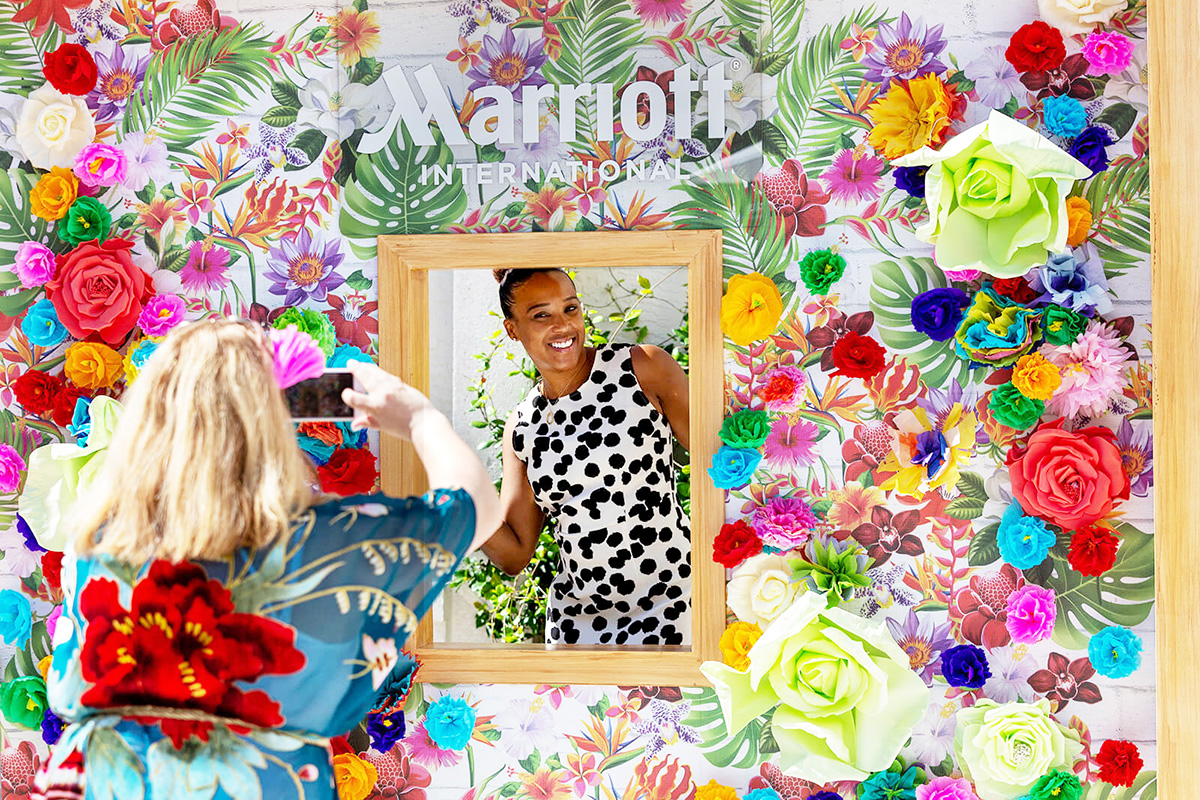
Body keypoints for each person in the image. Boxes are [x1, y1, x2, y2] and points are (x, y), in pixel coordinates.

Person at [40, 319, 501, 800]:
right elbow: (477, 509)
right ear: (271, 426)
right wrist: (419, 418)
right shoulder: (324, 543)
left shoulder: (95, 545)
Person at [479, 268, 692, 646]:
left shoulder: (643, 367)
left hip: (675, 601)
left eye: (570, 309)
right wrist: (462, 501)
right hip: (578, 626)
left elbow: (719, 461)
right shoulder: (523, 426)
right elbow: (514, 555)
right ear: (512, 329)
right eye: (541, 315)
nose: (562, 326)